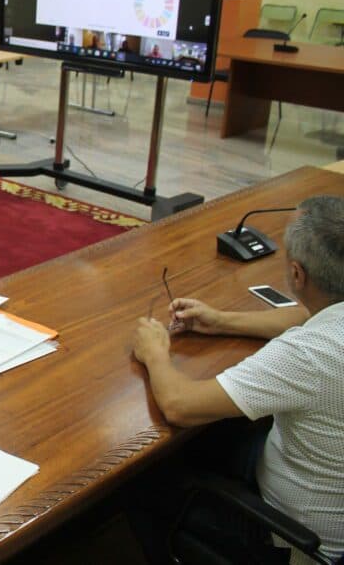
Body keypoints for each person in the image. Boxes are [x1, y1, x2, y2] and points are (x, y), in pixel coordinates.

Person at [132, 195, 344, 564]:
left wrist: (154, 353)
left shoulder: (311, 353)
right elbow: (309, 315)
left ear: (297, 274)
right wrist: (221, 321)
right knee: (221, 433)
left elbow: (180, 406)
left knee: (143, 481)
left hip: (298, 541)